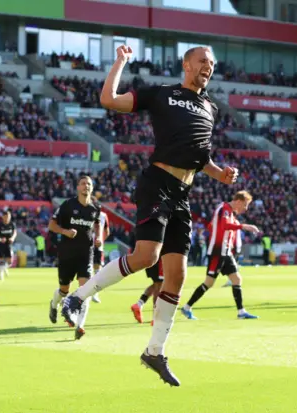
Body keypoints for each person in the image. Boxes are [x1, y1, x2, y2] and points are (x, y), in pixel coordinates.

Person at [63, 44, 237, 387]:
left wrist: (221, 175)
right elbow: (109, 100)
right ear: (186, 64)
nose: (208, 66)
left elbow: (201, 159)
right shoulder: (161, 94)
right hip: (157, 183)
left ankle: (154, 352)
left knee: (177, 276)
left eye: (212, 63)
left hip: (182, 194)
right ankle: (77, 297)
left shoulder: (210, 107)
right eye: (202, 61)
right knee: (147, 256)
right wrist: (121, 62)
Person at [181, 191, 260, 320]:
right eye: (245, 205)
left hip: (225, 252)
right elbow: (224, 225)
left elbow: (213, 226)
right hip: (217, 252)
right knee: (208, 283)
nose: (246, 209)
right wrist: (244, 226)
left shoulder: (228, 211)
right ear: (238, 201)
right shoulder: (225, 209)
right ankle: (186, 308)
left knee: (236, 279)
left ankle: (241, 312)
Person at [48, 176, 101, 341]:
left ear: (92, 188)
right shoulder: (68, 205)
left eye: (89, 184)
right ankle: (53, 303)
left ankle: (80, 325)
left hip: (86, 254)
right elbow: (51, 225)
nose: (86, 186)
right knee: (64, 290)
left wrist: (99, 237)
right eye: (83, 183)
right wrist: (65, 232)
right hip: (66, 254)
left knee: (86, 290)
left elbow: (99, 224)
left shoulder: (95, 208)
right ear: (78, 187)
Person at [130, 258, 163, 325]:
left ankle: (139, 304)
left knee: (157, 284)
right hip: (158, 260)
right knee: (159, 285)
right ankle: (155, 317)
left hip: (151, 259)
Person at [91, 209, 110, 304]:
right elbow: (107, 231)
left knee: (96, 269)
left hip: (94, 245)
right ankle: (92, 293)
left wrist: (101, 239)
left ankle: (93, 293)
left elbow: (107, 231)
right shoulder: (103, 215)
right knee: (95, 270)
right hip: (93, 246)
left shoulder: (102, 215)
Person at [0, 210, 16, 281]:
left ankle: (4, 268)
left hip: (9, 244)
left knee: (10, 262)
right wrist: (0, 239)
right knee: (1, 260)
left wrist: (12, 238)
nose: (7, 218)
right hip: (1, 244)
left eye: (9, 216)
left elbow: (15, 232)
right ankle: (1, 274)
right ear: (3, 217)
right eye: (6, 217)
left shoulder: (12, 224)